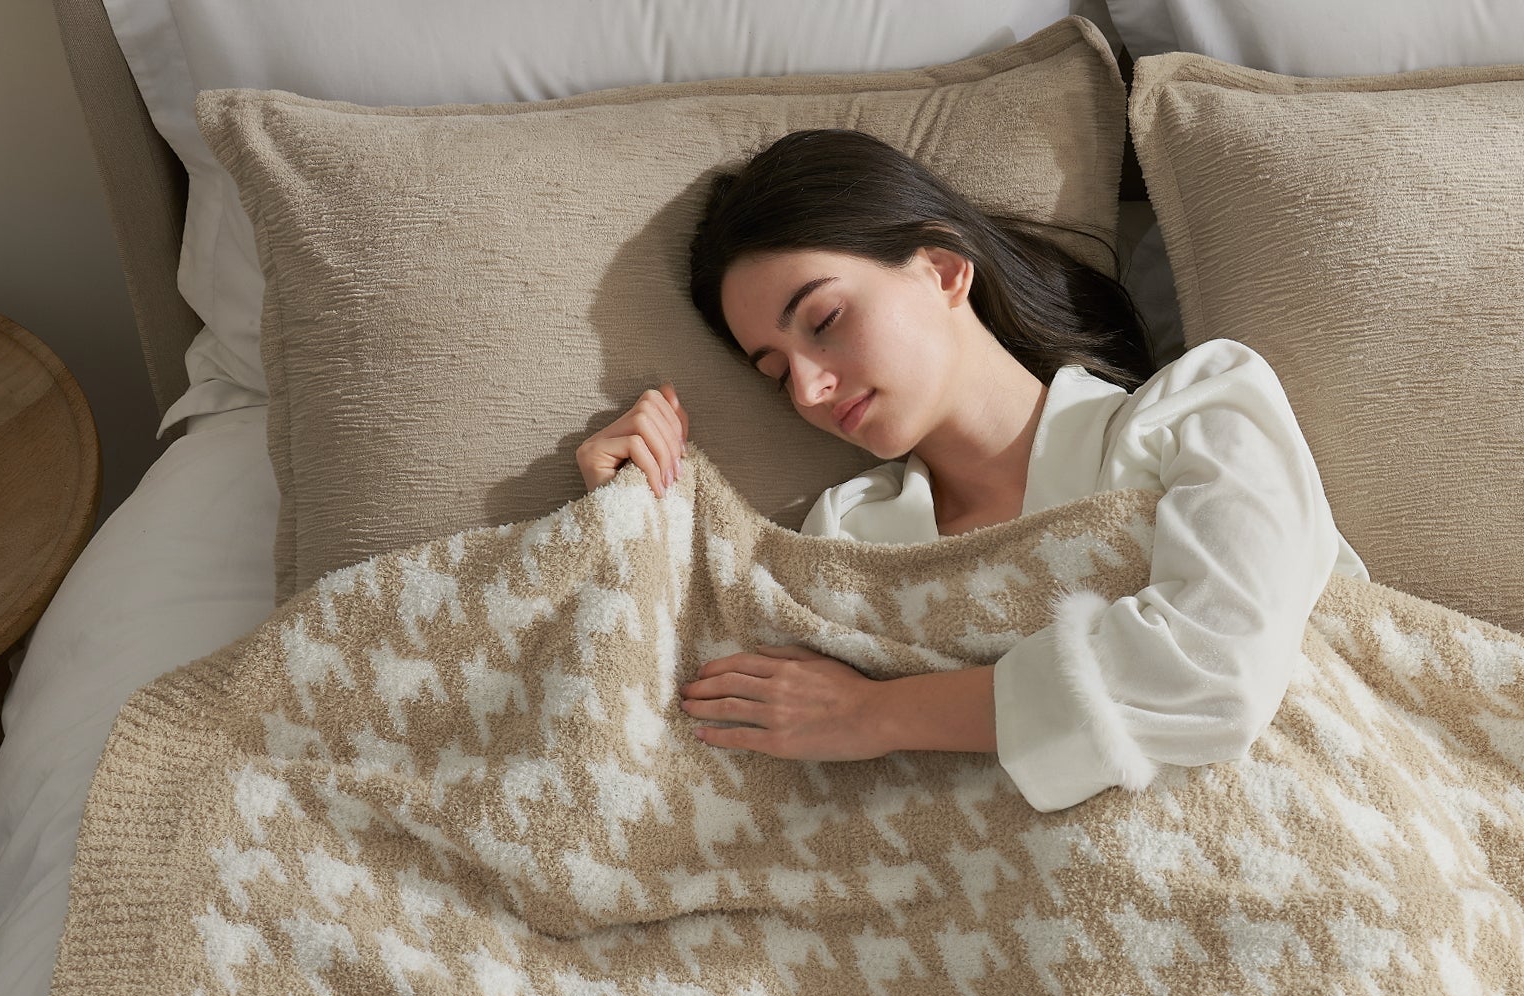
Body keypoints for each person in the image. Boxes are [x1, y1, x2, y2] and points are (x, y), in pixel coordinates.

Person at [575, 129, 1370, 812]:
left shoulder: (1207, 409)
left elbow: (1216, 673)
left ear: (944, 268)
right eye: (777, 373)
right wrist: (628, 516)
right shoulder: (848, 537)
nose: (809, 388)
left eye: (824, 320)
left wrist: (876, 714)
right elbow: (711, 725)